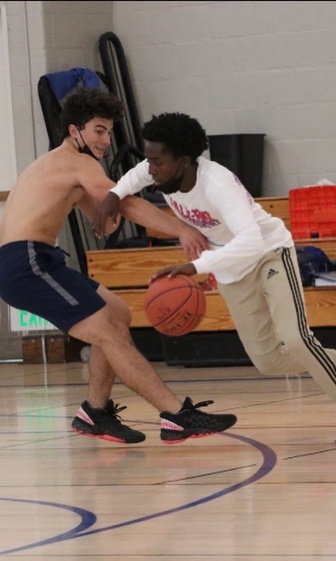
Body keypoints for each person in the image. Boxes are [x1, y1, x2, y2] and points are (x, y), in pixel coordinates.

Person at [94, 112, 336, 447]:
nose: (150, 169)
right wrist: (112, 196)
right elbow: (135, 176)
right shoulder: (160, 169)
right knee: (268, 361)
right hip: (232, 268)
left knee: (295, 338)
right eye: (148, 160)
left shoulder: (218, 185)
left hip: (269, 254)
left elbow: (251, 241)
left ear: (183, 162)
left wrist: (197, 267)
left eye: (157, 162)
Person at [0, 90, 237, 445]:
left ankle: (94, 412)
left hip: (34, 260)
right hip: (27, 263)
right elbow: (125, 204)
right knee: (109, 331)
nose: (106, 140)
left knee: (118, 313)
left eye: (109, 132)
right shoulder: (76, 162)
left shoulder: (62, 165)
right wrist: (181, 228)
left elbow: (105, 219)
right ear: (74, 131)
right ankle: (176, 415)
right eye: (98, 130)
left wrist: (108, 215)